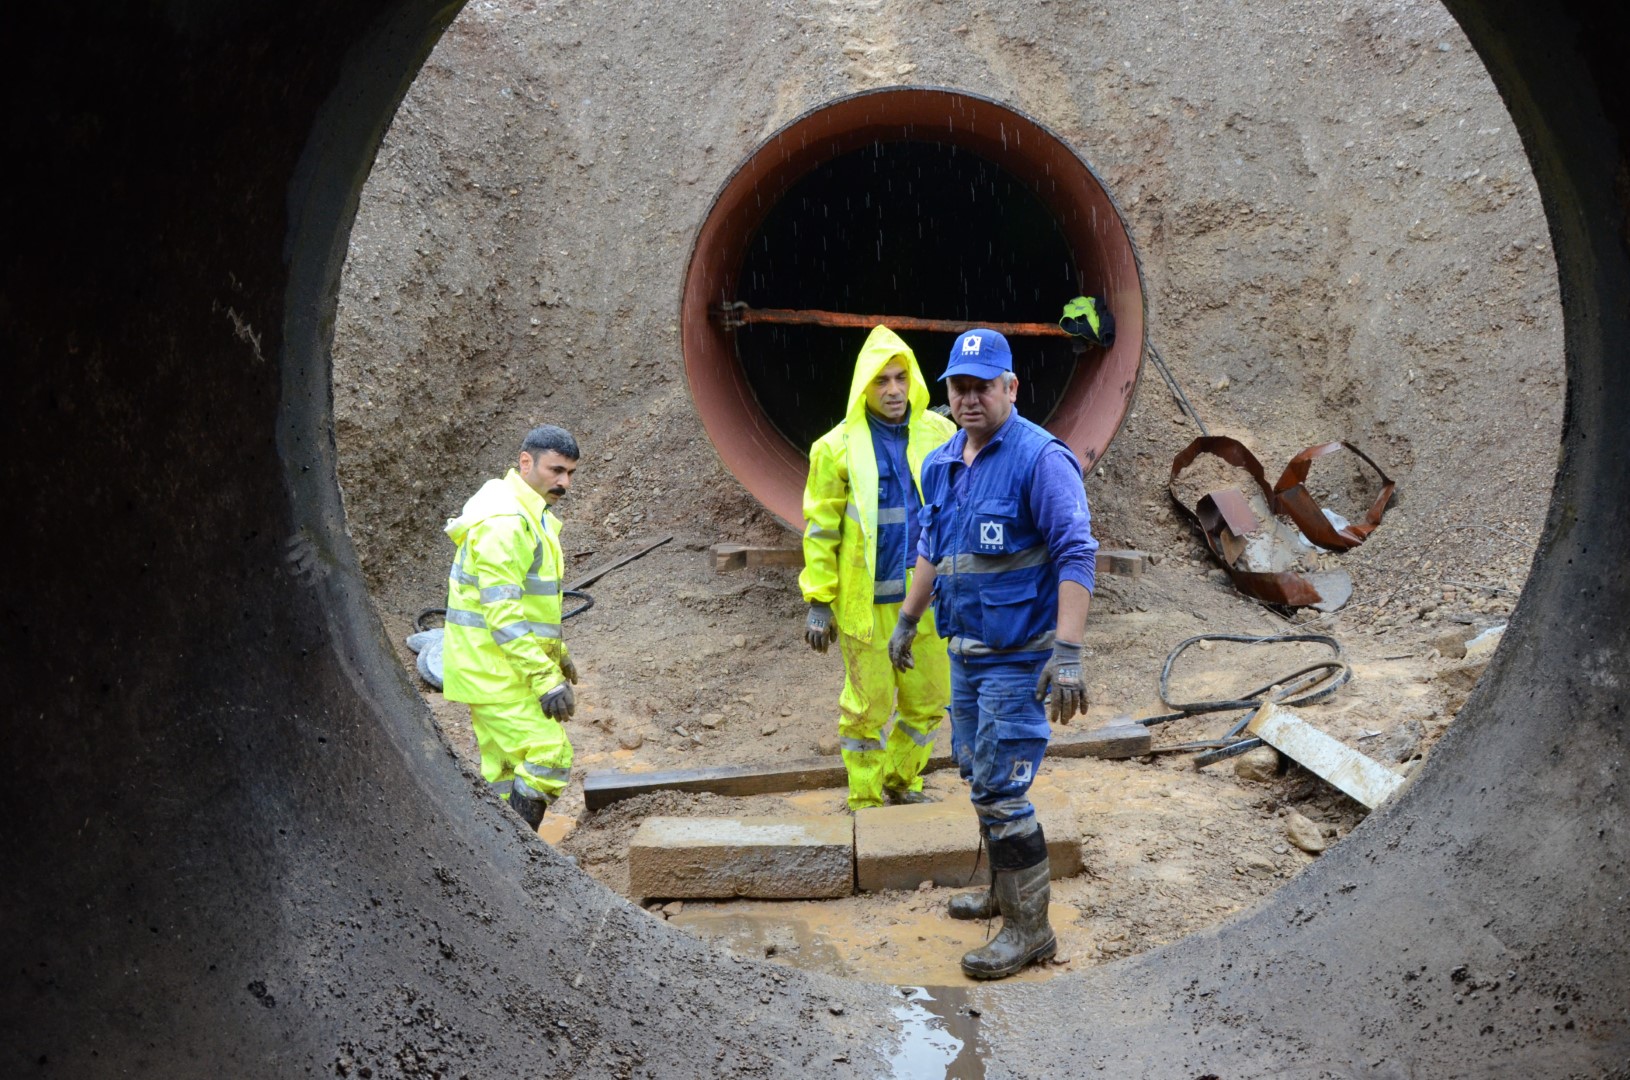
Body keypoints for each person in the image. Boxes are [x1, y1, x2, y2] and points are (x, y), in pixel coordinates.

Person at [889, 328, 1098, 980]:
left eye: (983, 386)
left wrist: (1067, 652)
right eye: (959, 386)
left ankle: (1030, 930)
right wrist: (906, 620)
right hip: (966, 654)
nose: (969, 397)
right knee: (979, 776)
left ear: (1011, 387)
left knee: (1005, 792)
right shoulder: (943, 463)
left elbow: (1076, 554)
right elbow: (932, 547)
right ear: (946, 390)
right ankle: (1004, 890)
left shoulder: (1042, 460)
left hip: (1018, 657)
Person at [799, 325, 958, 811]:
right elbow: (821, 529)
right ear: (862, 386)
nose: (893, 391)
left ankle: (901, 781)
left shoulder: (939, 432)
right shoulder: (836, 447)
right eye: (881, 381)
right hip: (865, 603)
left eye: (900, 378)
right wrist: (818, 601)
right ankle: (864, 799)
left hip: (925, 600)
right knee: (867, 709)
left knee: (929, 701)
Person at [441, 424, 582, 831]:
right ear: (526, 462)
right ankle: (524, 868)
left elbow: (527, 604)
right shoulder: (505, 521)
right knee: (549, 755)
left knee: (504, 772)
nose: (564, 482)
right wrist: (546, 680)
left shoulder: (527, 512)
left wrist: (558, 654)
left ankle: (499, 868)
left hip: (493, 666)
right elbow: (502, 614)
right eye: (556, 470)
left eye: (570, 473)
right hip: (496, 670)